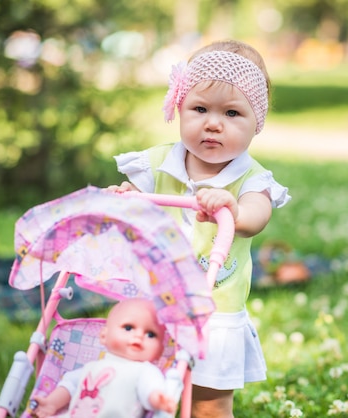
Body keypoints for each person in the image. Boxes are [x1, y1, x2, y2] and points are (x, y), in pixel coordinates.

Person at [107, 39, 291, 418]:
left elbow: (256, 216)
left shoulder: (252, 180)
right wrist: (125, 197)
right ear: (179, 108)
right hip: (151, 305)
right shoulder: (156, 163)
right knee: (137, 390)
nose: (212, 122)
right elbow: (134, 208)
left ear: (257, 123)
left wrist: (232, 208)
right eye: (200, 108)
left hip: (214, 313)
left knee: (208, 405)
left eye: (232, 113)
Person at [29, 298, 177, 418]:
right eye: (128, 327)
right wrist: (51, 403)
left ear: (159, 351)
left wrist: (158, 400)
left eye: (151, 334)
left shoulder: (145, 370)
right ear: (104, 336)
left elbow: (150, 390)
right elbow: (70, 385)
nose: (138, 336)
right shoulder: (91, 367)